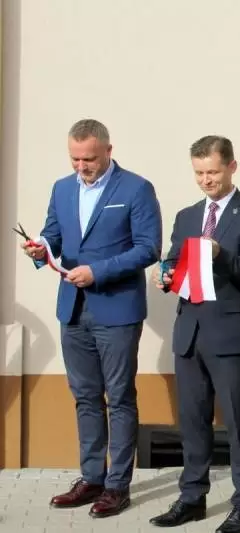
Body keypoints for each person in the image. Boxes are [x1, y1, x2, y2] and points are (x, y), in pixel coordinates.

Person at [19, 119, 162, 517]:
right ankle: (92, 478)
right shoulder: (62, 188)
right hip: (73, 309)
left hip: (117, 310)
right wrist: (40, 249)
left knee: (119, 398)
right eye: (75, 159)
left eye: (90, 159)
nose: (82, 166)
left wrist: (98, 272)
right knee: (85, 397)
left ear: (108, 151)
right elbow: (53, 235)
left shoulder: (136, 188)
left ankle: (117, 486)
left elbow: (148, 248)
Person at [148, 136, 240, 533]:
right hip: (189, 332)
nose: (206, 180)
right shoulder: (187, 216)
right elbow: (173, 260)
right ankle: (192, 498)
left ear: (232, 167)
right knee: (192, 421)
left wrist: (221, 254)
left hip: (231, 335)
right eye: (199, 173)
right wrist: (164, 275)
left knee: (238, 423)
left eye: (213, 172)